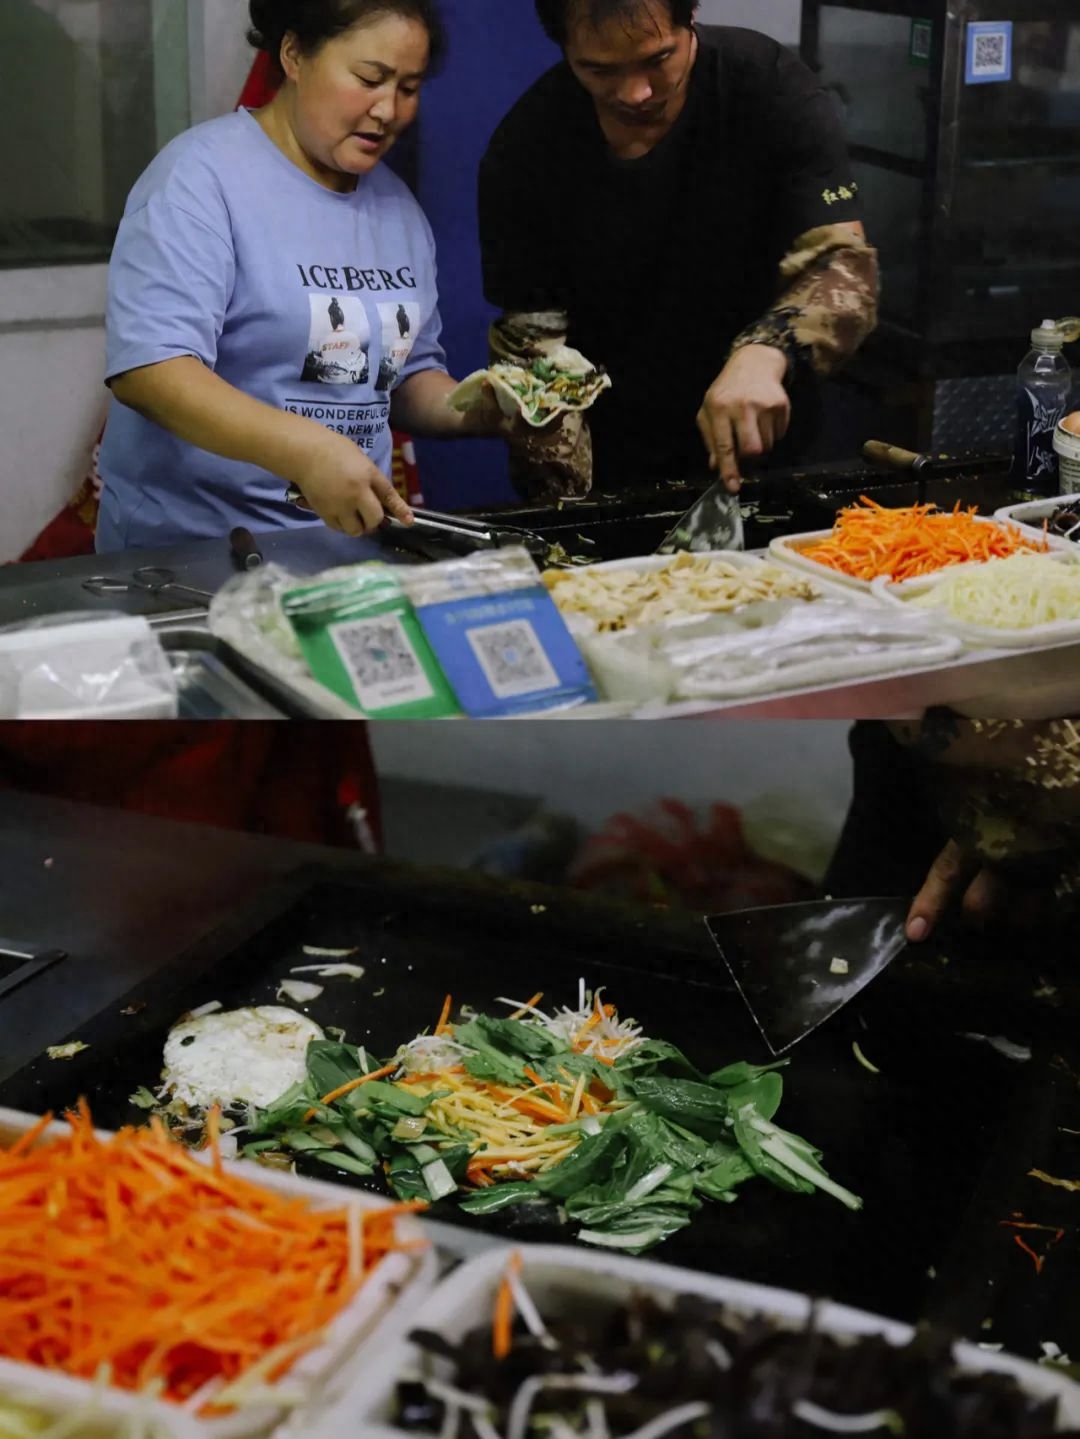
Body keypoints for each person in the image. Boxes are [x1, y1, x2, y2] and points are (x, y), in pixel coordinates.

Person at [96, 0, 511, 552]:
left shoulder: (398, 210)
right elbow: (151, 371)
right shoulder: (200, 179)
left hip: (348, 551)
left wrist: (490, 409)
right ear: (293, 54)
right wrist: (307, 449)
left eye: (409, 88)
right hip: (198, 557)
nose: (388, 109)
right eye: (370, 78)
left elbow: (404, 377)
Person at [478, 0, 879, 506]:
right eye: (600, 70)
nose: (635, 93)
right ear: (564, 48)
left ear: (689, 17)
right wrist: (567, 514)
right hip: (611, 462)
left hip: (768, 442)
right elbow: (534, 351)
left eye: (657, 59)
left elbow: (843, 265)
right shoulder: (527, 148)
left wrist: (767, 351)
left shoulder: (765, 85)